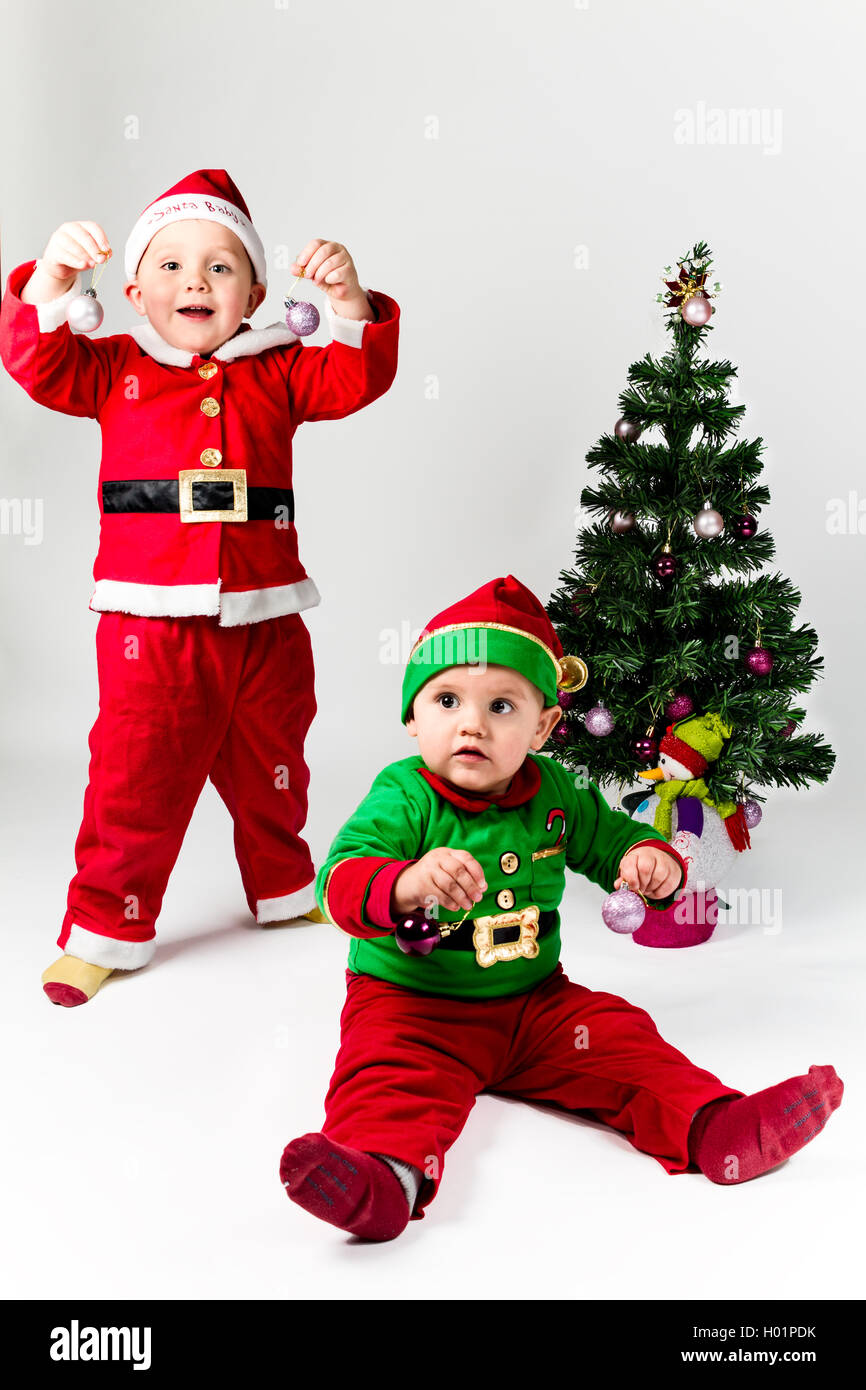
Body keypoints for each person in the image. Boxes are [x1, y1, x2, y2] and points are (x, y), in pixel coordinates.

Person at [279, 574, 843, 1240]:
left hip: (535, 1005)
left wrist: (645, 861)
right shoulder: (404, 794)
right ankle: (382, 1180)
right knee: (386, 1079)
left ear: (544, 725)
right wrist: (402, 885)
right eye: (448, 700)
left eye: (502, 708)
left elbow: (609, 839)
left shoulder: (554, 789)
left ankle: (717, 1125)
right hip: (413, 1005)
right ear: (412, 716)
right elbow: (340, 878)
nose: (472, 724)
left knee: (621, 1040)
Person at [0, 168, 400, 1006]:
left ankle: (286, 890)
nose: (196, 281)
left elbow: (355, 380)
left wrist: (350, 303)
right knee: (135, 773)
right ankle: (107, 926)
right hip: (152, 622)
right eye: (172, 265)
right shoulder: (108, 368)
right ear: (136, 290)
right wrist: (52, 281)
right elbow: (36, 364)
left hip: (268, 614)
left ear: (254, 291)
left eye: (220, 267)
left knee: (274, 762)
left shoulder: (283, 369)